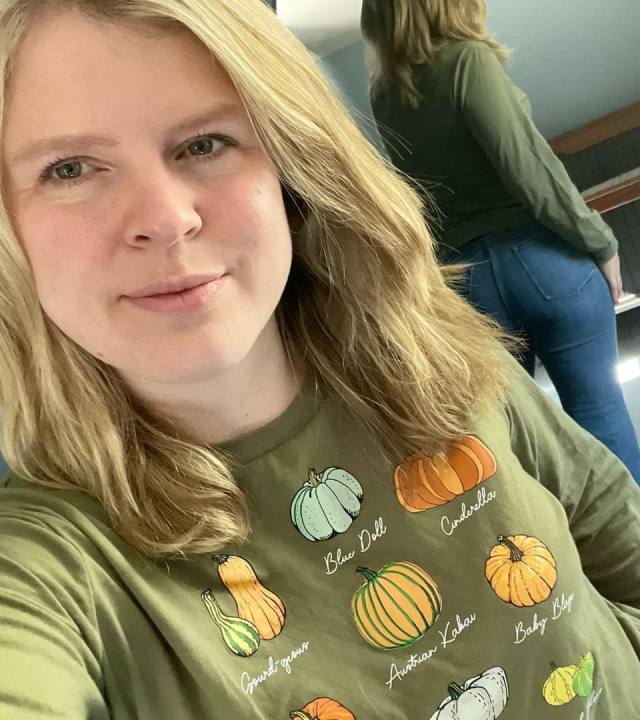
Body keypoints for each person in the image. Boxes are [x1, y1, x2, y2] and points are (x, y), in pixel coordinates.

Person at [0, 1, 638, 718]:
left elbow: (614, 535)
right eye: (69, 168)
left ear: (292, 167)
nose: (165, 219)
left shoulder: (429, 352)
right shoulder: (45, 565)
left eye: (204, 143)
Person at [360, 0, 640, 483]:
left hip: (469, 286)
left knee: (522, 442)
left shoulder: (385, 95)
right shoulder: (467, 60)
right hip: (544, 263)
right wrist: (601, 242)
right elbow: (532, 172)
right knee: (598, 411)